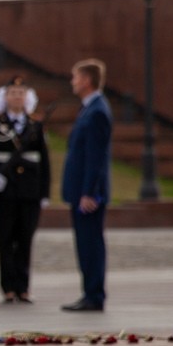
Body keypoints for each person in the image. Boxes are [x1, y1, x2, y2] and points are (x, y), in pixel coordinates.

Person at [0, 74, 51, 303]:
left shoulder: (35, 124)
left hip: (29, 190)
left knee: (25, 239)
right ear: (5, 97)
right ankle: (8, 287)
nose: (17, 97)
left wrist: (44, 192)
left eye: (21, 93)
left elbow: (44, 161)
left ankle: (23, 286)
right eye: (12, 93)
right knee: (5, 239)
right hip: (5, 190)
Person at [61, 58, 112, 311]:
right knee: (85, 243)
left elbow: (96, 157)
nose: (73, 82)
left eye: (75, 77)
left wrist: (90, 192)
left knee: (91, 243)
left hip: (88, 194)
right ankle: (90, 292)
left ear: (87, 80)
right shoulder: (89, 109)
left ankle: (94, 294)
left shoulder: (97, 112)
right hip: (81, 191)